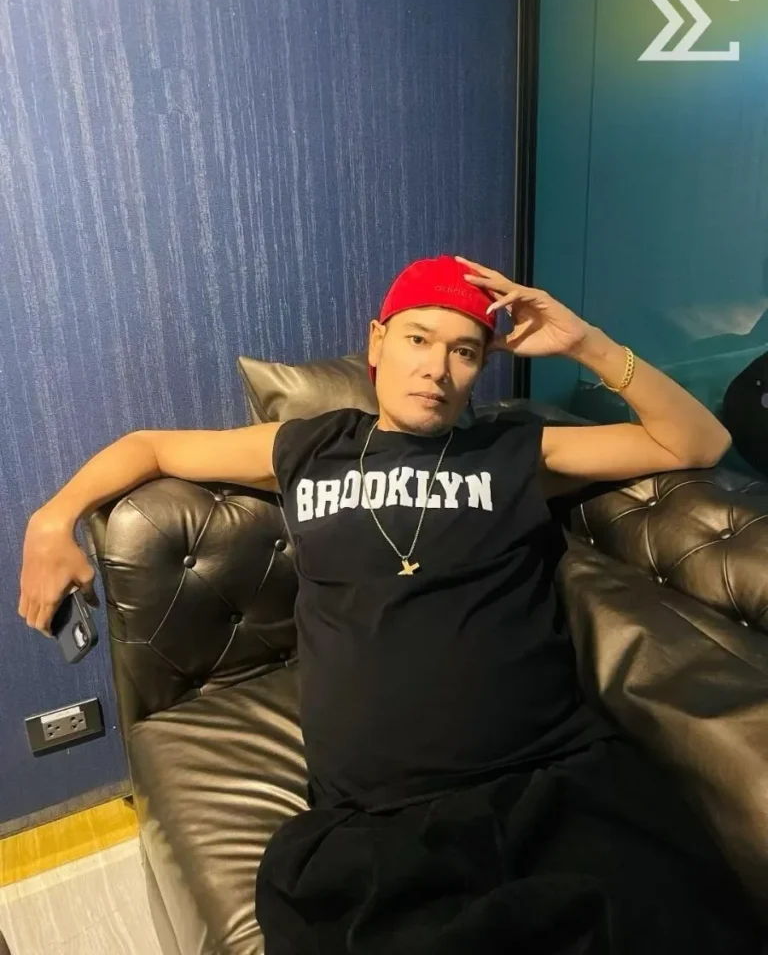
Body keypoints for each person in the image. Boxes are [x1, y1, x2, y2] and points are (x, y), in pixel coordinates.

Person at [18, 256, 760, 954]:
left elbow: (697, 442)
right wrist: (52, 520)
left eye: (465, 351)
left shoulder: (513, 449)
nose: (437, 367)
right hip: (379, 824)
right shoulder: (311, 447)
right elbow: (150, 448)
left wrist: (587, 344)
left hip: (553, 784)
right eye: (418, 339)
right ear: (378, 343)